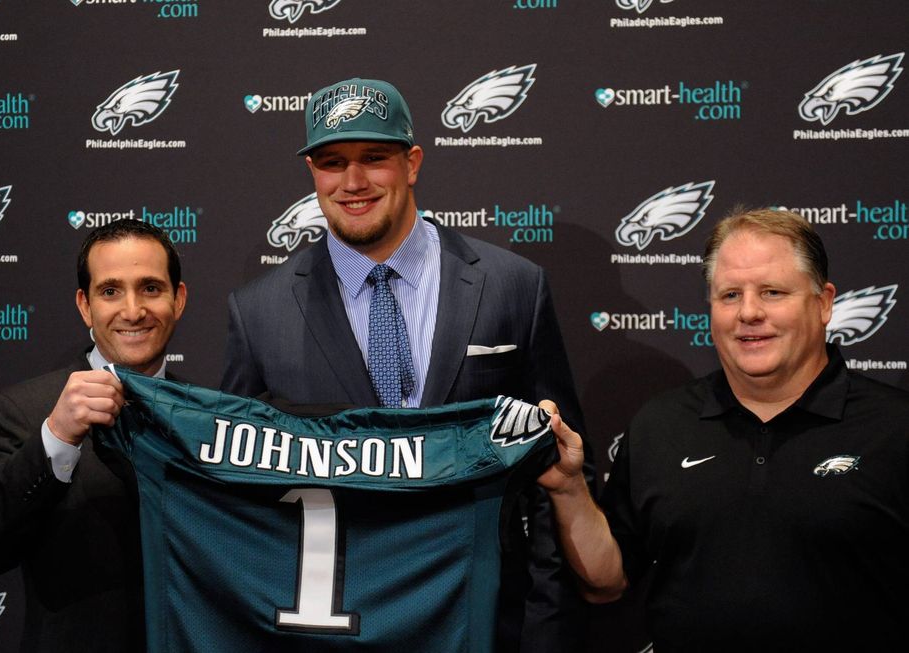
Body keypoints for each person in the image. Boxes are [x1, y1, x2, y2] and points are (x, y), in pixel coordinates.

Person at [221, 77, 592, 650]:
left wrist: (539, 634)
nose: (353, 182)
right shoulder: (259, 312)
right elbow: (240, 498)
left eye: (374, 158)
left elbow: (559, 479)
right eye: (331, 162)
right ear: (312, 174)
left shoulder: (512, 287)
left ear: (412, 162)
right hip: (331, 629)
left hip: (484, 621)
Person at [595, 208, 909, 650]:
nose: (748, 312)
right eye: (729, 295)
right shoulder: (659, 426)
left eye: (773, 292)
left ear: (823, 303)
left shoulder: (895, 429)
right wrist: (569, 488)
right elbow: (607, 578)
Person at [0, 219, 187, 653]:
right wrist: (55, 437)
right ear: (85, 306)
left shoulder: (210, 417)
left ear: (179, 298)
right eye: (110, 291)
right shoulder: (22, 411)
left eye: (151, 288)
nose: (133, 311)